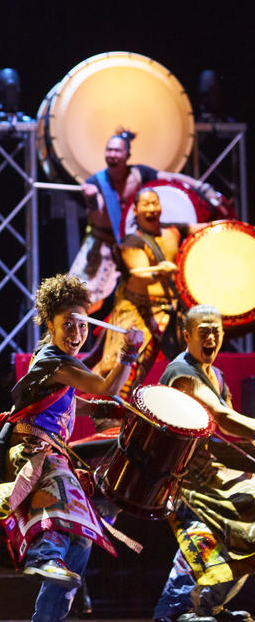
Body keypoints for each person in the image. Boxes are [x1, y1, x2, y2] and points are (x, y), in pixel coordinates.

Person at [0, 274, 143, 622]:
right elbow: (108, 386)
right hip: (34, 452)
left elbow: (62, 401)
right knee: (64, 498)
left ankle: (49, 614)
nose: (76, 334)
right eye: (68, 325)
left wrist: (95, 408)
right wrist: (130, 352)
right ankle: (44, 556)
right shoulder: (58, 362)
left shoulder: (50, 363)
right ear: (50, 323)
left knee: (82, 539)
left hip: (48, 451)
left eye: (82, 326)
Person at [151, 305, 255, 622]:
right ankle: (174, 610)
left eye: (216, 332)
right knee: (200, 541)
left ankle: (208, 605)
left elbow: (234, 431)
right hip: (182, 482)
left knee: (246, 538)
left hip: (212, 480)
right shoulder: (181, 373)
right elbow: (223, 418)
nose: (210, 338)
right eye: (203, 332)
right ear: (186, 336)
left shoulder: (216, 376)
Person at [69, 131, 225, 312]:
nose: (112, 155)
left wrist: (201, 187)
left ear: (127, 155)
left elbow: (172, 178)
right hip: (104, 244)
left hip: (136, 244)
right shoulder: (96, 182)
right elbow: (96, 208)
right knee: (81, 299)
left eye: (117, 151)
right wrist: (91, 198)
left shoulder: (139, 174)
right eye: (109, 150)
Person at [93, 188, 206, 399]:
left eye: (155, 203)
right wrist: (159, 270)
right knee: (124, 363)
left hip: (170, 311)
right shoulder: (132, 241)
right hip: (138, 310)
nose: (152, 208)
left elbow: (204, 230)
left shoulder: (173, 231)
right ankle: (107, 414)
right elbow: (141, 272)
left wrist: (226, 230)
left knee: (187, 367)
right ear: (135, 210)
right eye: (146, 204)